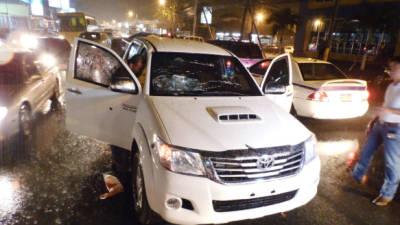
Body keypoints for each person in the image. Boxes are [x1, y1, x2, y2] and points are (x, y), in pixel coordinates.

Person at [351, 56, 400, 206]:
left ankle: (387, 194)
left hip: (395, 129)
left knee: (392, 163)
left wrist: (387, 110)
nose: (390, 71)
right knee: (366, 151)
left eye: (394, 68)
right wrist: (372, 122)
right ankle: (357, 175)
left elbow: (389, 107)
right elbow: (386, 104)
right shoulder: (392, 86)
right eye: (390, 68)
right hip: (380, 124)